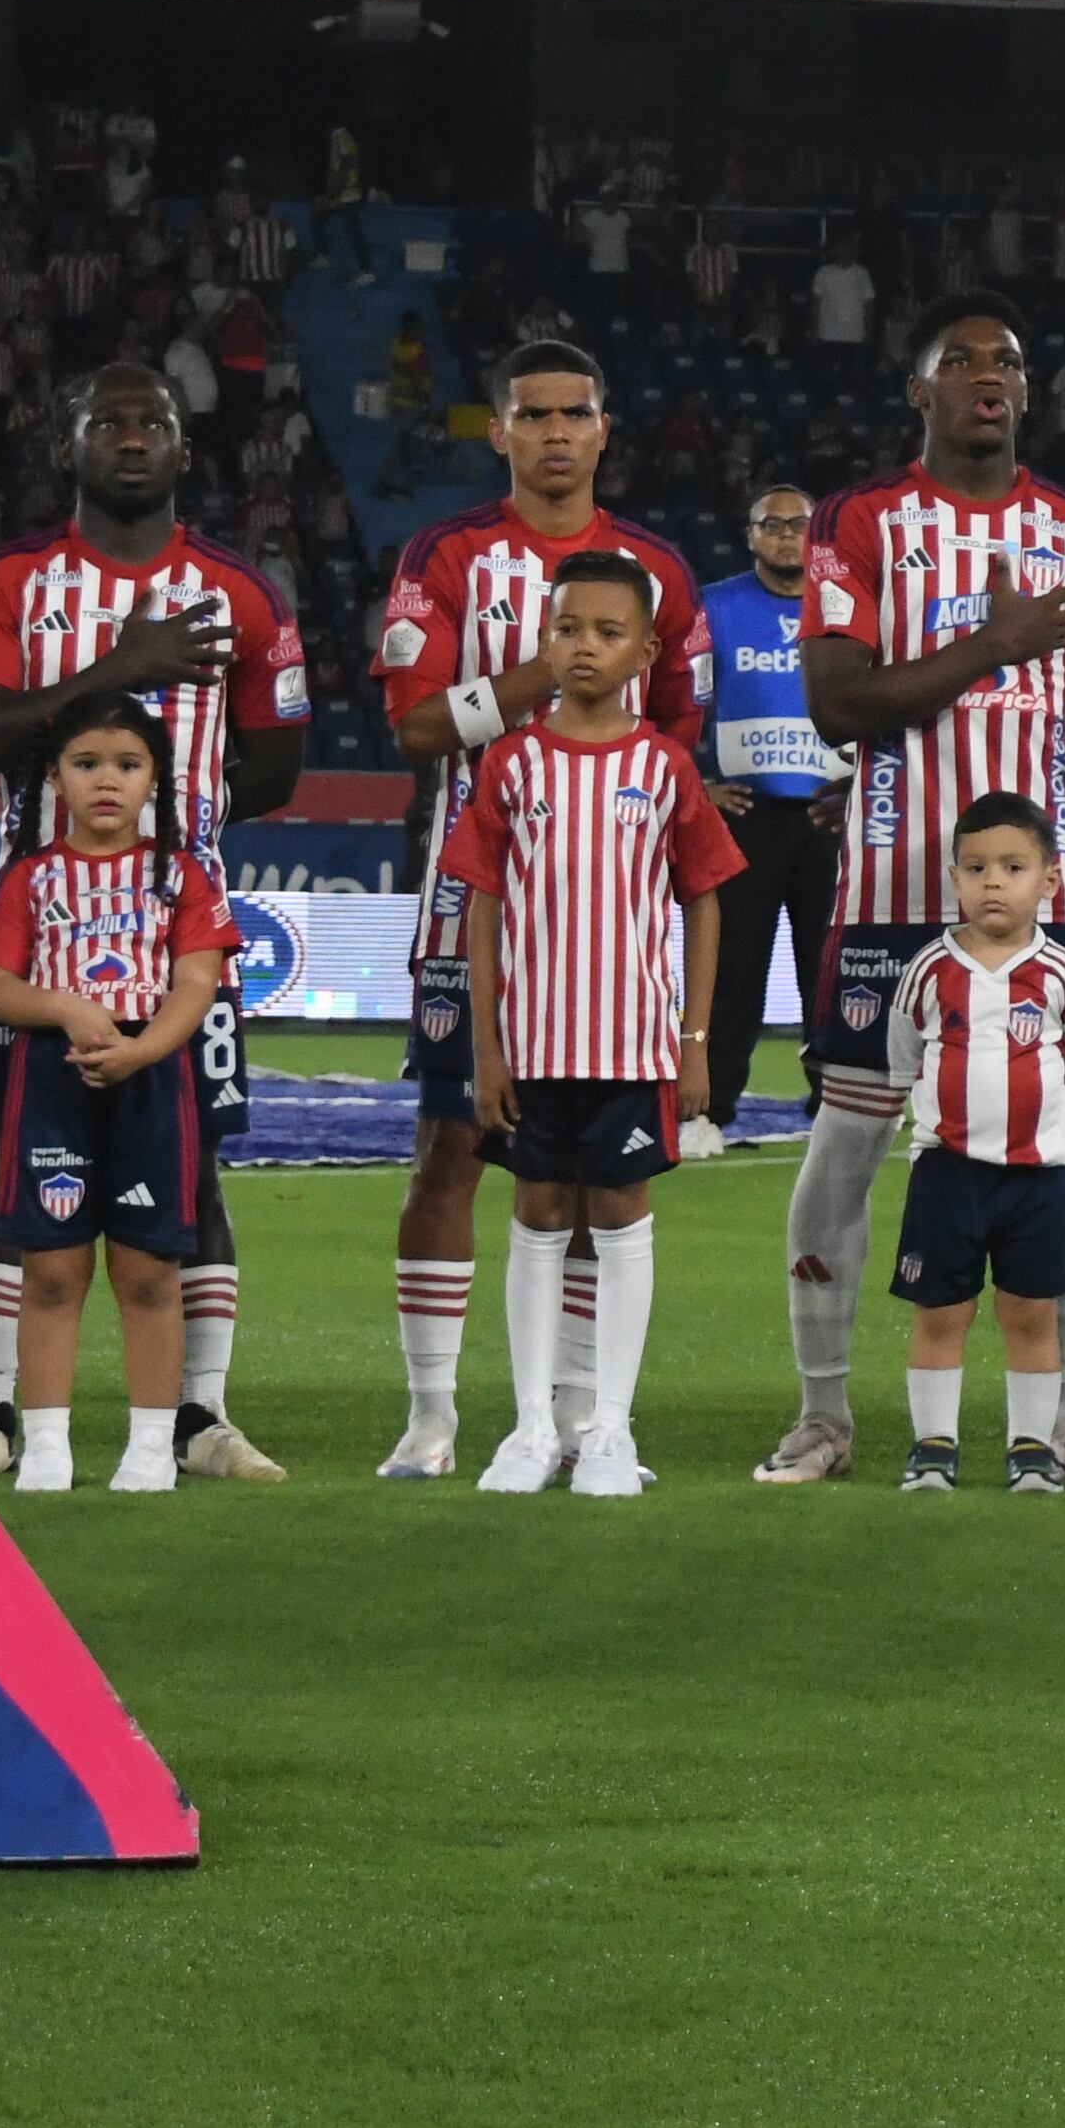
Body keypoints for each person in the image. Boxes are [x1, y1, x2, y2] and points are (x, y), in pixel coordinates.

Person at [767, 294, 1065, 1488]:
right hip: (887, 890)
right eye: (961, 360)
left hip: (1047, 900)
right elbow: (836, 700)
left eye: (1011, 360)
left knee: (1058, 1150)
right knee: (846, 1151)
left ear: (1029, 394)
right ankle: (824, 1417)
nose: (990, 374)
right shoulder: (860, 521)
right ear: (917, 392)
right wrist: (996, 643)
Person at [0, 365, 308, 1483]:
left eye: (156, 423)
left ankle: (198, 1419)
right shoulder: (4, 581)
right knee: (15, 1166)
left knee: (195, 1172)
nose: (133, 438)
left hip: (179, 933)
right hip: (34, 926)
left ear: (186, 450)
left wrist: (164, 836)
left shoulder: (243, 591)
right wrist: (120, 670)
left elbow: (278, 766)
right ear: (72, 444)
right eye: (111, 422)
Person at [372, 338, 711, 1479]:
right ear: (500, 431)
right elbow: (416, 729)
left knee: (591, 1183)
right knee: (452, 1151)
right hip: (474, 906)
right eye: (533, 414)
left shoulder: (654, 568)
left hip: (603, 939)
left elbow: (673, 739)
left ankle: (572, 1411)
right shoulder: (448, 554)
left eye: (576, 412)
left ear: (605, 429)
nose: (556, 432)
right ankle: (430, 1411)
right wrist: (550, 669)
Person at [452, 553, 745, 1500]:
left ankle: (610, 1429)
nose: (585, 646)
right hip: (533, 1044)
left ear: (647, 650)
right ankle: (534, 1426)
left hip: (630, 1042)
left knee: (619, 1212)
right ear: (545, 638)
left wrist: (693, 1040)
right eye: (568, 627)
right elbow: (483, 903)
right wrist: (487, 1045)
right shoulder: (512, 760)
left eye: (608, 632)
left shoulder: (663, 765)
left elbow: (704, 899)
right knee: (537, 1212)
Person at [0, 692, 238, 1497]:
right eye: (86, 764)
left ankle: (151, 1448)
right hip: (51, 1079)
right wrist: (66, 1008)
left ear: (156, 777)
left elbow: (197, 981)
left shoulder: (181, 876)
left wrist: (143, 1047)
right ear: (56, 778)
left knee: (150, 1270)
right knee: (51, 1269)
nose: (106, 781)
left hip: (151, 1077)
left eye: (127, 764)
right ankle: (47, 1446)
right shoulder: (31, 878)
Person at [879, 792, 1065, 1493]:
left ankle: (1031, 1448)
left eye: (1012, 866)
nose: (992, 881)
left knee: (1031, 1312)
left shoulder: (1064, 972)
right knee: (941, 1310)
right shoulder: (928, 969)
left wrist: (1034, 1130)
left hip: (1035, 1179)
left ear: (1049, 879)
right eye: (976, 867)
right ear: (954, 879)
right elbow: (902, 1060)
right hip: (946, 1175)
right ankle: (933, 1446)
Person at [693, 482, 845, 1143]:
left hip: (828, 814)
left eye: (799, 523)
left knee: (833, 968)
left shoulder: (844, 602)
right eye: (772, 524)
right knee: (732, 969)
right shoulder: (715, 606)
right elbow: (670, 694)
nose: (787, 534)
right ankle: (709, 1109)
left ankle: (839, 1104)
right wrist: (695, 783)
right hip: (745, 811)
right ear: (750, 535)